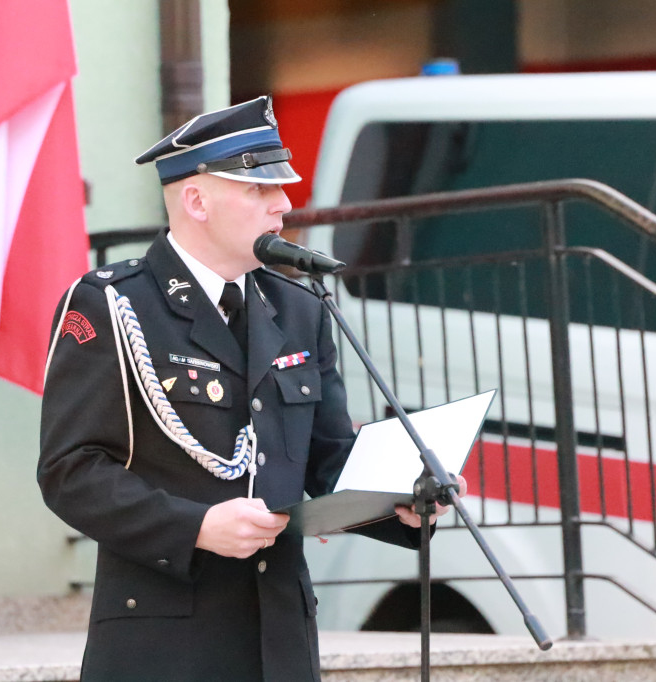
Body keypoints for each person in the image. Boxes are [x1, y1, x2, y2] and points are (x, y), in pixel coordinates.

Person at [38, 96, 463, 681]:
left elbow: (326, 459)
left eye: (281, 190)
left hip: (280, 635)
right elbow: (72, 471)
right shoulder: (114, 304)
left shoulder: (299, 308)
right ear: (196, 200)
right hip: (166, 638)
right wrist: (196, 527)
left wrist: (403, 501)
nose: (283, 205)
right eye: (258, 190)